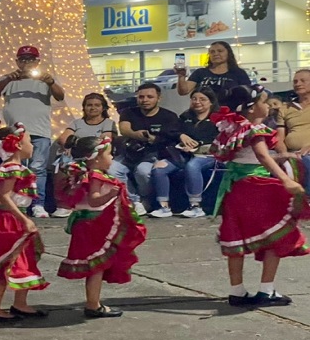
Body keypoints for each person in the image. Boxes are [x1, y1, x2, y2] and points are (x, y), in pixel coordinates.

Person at [211, 85, 308, 307]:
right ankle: (267, 290)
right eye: (264, 102)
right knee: (276, 234)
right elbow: (263, 157)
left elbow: (247, 157)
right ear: (253, 108)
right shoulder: (255, 129)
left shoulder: (233, 127)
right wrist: (287, 180)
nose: (267, 106)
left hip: (235, 188)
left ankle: (237, 291)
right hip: (258, 188)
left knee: (236, 235)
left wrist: (285, 156)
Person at [58, 136, 146, 318]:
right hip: (94, 226)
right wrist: (111, 195)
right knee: (96, 267)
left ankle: (94, 302)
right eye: (109, 154)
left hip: (88, 224)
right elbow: (93, 199)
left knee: (96, 266)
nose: (112, 158)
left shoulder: (85, 174)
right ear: (96, 158)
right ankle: (93, 305)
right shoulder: (95, 176)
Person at [0, 123, 48, 324]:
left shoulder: (12, 167)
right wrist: (24, 219)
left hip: (11, 218)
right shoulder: (12, 169)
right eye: (29, 142)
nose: (32, 146)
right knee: (4, 263)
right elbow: (4, 196)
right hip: (7, 220)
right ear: (17, 145)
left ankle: (20, 304)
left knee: (23, 261)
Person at [0, 45, 66, 218]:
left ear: (37, 61)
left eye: (31, 59)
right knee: (17, 168)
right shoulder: (8, 79)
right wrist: (8, 79)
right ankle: (18, 203)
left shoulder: (45, 79)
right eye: (23, 59)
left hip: (40, 131)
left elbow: (60, 96)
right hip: (15, 133)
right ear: (17, 61)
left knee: (38, 168)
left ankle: (38, 204)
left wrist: (51, 82)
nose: (27, 63)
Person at [107, 83, 182, 215]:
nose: (145, 100)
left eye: (149, 97)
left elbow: (172, 137)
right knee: (112, 169)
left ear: (159, 98)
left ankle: (146, 199)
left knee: (142, 171)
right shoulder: (128, 112)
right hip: (129, 152)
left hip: (155, 153)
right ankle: (133, 200)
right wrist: (137, 135)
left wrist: (153, 139)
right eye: (141, 97)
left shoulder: (169, 116)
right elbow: (124, 129)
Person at [149, 87, 220, 218]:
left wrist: (198, 144)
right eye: (194, 99)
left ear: (211, 102)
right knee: (159, 168)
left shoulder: (218, 119)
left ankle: (195, 206)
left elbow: (219, 138)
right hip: (183, 153)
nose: (197, 102)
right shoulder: (185, 117)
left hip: (207, 155)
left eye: (202, 99)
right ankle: (163, 206)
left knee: (192, 166)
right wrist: (181, 136)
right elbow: (171, 131)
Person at [52, 93, 117, 218]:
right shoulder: (77, 123)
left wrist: (80, 142)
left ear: (103, 108)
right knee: (62, 167)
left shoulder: (108, 123)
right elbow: (63, 139)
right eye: (89, 105)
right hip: (77, 155)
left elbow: (105, 139)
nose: (92, 108)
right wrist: (77, 146)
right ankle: (64, 204)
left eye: (97, 105)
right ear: (84, 107)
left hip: (97, 155)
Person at [175, 41, 251, 104]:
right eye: (212, 52)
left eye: (220, 51)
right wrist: (181, 76)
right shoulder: (200, 72)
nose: (215, 54)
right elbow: (183, 91)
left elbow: (247, 94)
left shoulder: (238, 73)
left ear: (228, 53)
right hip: (204, 114)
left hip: (230, 114)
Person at [275, 70, 310, 192]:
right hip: (293, 154)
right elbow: (280, 138)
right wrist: (284, 154)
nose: (297, 84)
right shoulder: (285, 108)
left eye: (302, 81)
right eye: (295, 81)